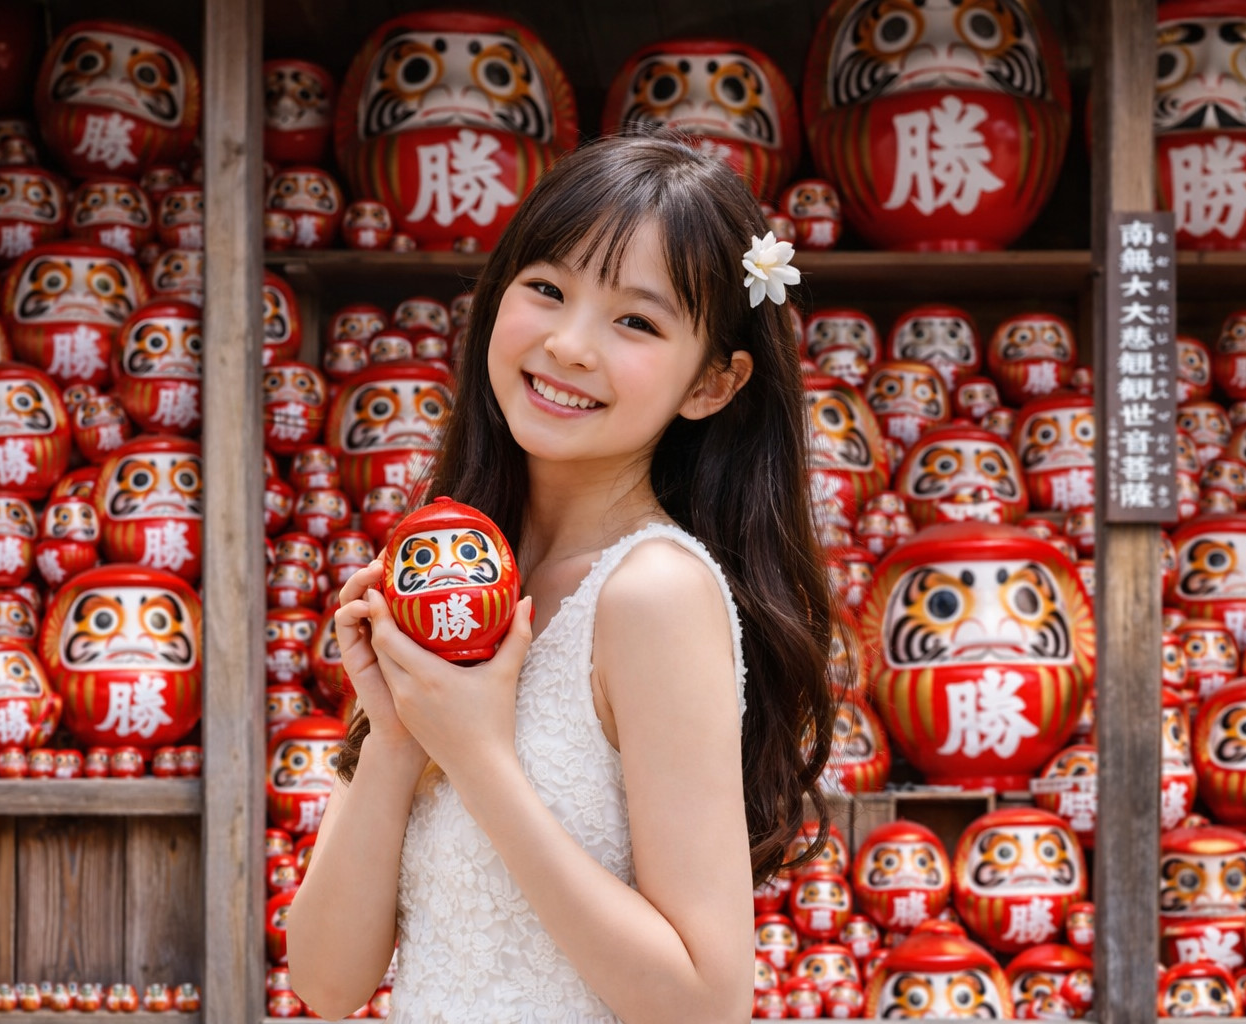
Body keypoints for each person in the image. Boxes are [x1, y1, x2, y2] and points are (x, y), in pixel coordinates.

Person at [286, 134, 837, 1023]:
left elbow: (707, 1004)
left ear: (712, 382)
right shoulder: (453, 569)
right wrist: (395, 741)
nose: (570, 344)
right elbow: (325, 981)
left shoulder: (652, 595)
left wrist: (475, 754)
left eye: (637, 322)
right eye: (546, 289)